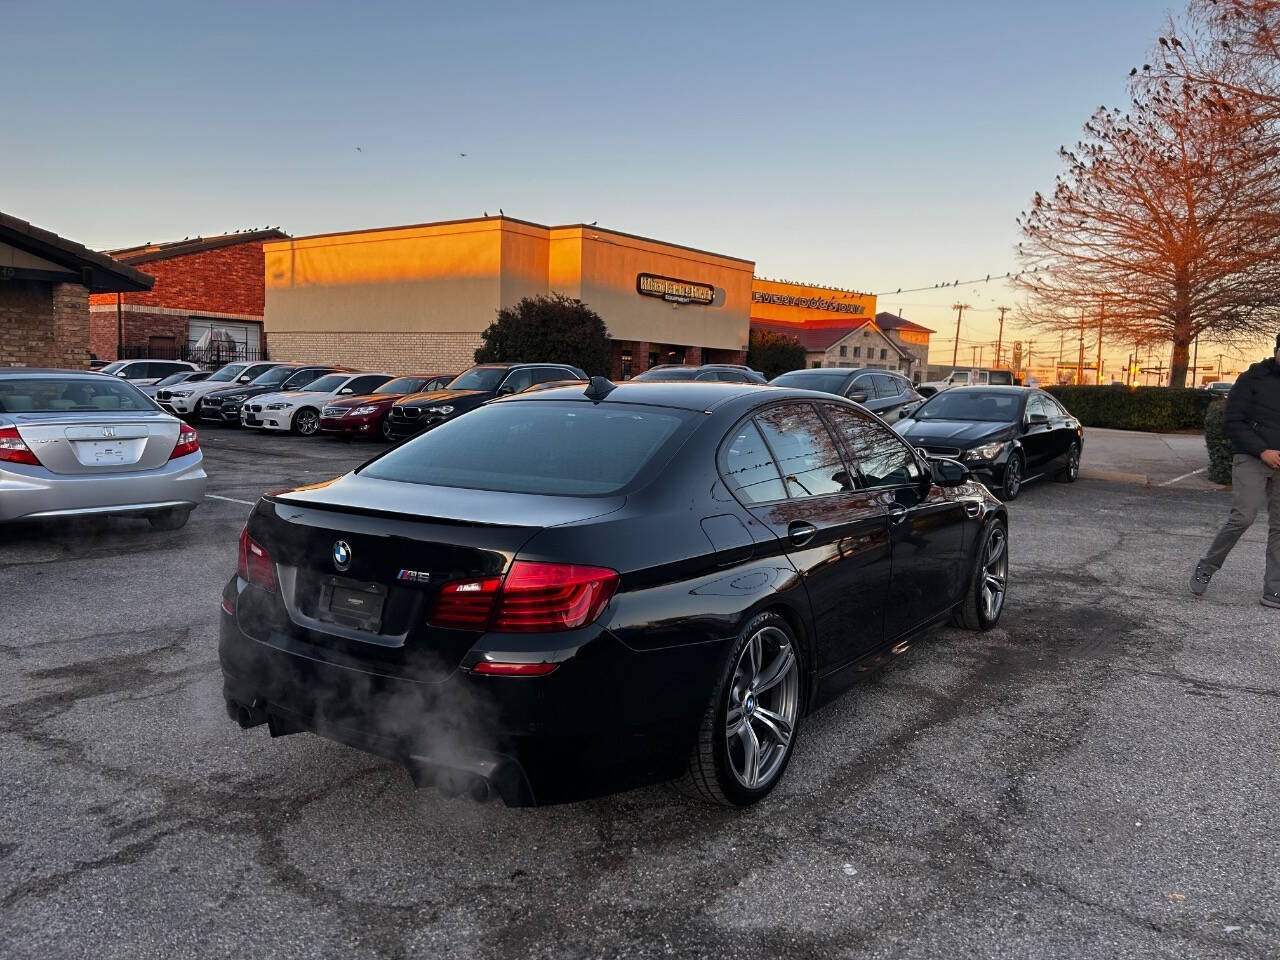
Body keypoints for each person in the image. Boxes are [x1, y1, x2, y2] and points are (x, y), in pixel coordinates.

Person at [1191, 332, 1280, 607]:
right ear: (1277, 350)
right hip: (1253, 458)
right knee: (1243, 517)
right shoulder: (1252, 378)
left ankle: (1273, 590)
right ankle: (1207, 566)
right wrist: (1262, 451)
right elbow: (1232, 421)